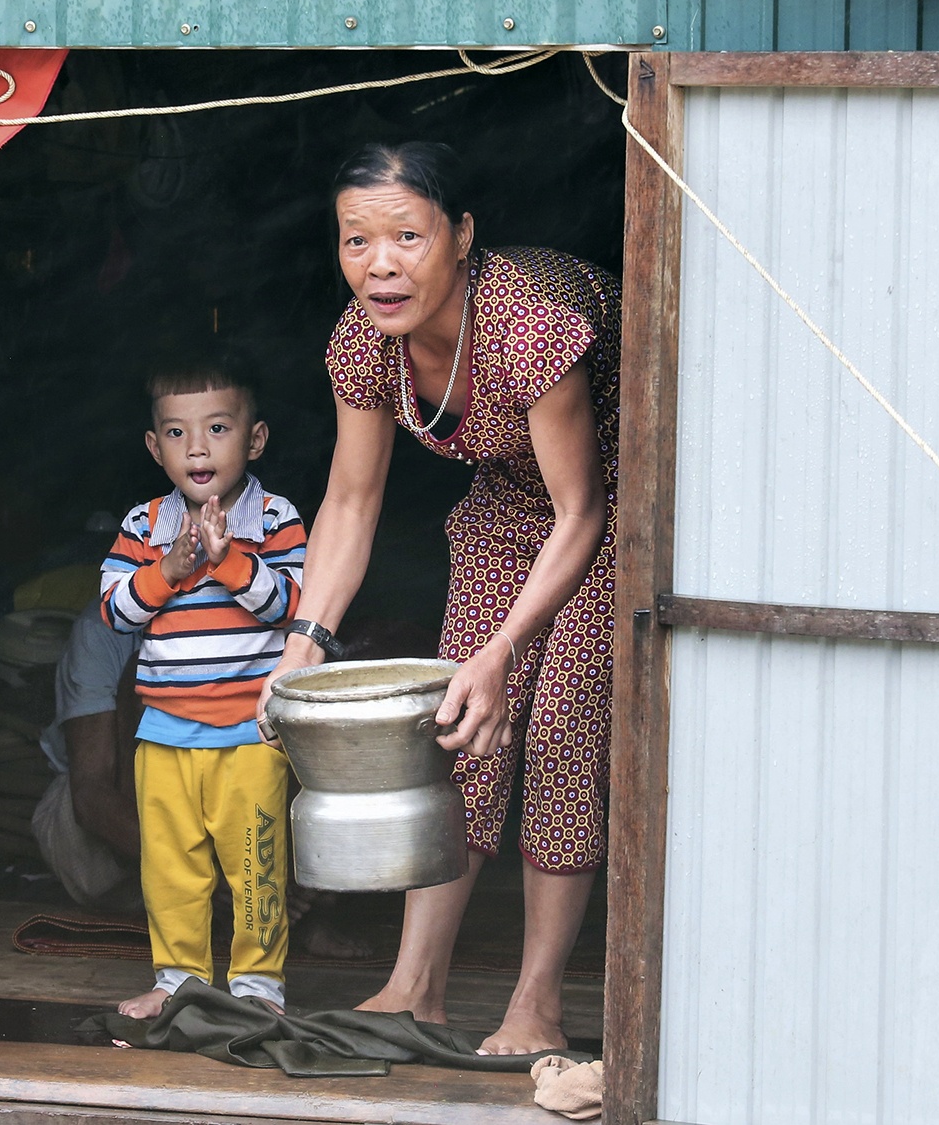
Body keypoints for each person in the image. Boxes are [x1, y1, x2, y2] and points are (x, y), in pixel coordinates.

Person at [265, 142, 617, 1055]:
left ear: (460, 235)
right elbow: (351, 497)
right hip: (507, 503)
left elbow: (580, 511)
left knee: (563, 727)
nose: (380, 265)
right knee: (451, 718)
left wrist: (504, 654)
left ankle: (537, 999)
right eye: (356, 241)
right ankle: (415, 983)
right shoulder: (363, 341)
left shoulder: (529, 329)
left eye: (407, 237)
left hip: (618, 497)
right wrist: (303, 643)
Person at [101, 357, 308, 1019]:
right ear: (154, 447)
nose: (197, 447)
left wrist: (231, 560)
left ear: (254, 440)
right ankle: (178, 980)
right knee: (170, 869)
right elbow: (114, 612)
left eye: (217, 428)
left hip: (251, 734)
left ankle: (257, 988)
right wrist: (168, 570)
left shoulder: (275, 518)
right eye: (177, 432)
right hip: (162, 732)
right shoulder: (142, 526)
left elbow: (294, 605)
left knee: (256, 865)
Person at [30, 597, 142, 911]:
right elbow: (90, 796)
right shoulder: (103, 627)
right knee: (140, 675)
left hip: (209, 807)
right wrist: (195, 875)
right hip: (114, 837)